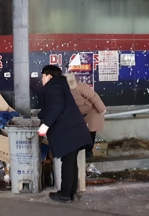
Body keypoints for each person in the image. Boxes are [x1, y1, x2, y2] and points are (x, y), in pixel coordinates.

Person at [37, 65, 93, 202]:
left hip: (68, 131)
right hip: (73, 130)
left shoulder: (52, 86)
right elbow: (54, 106)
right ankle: (71, 192)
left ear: (49, 76)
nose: (42, 79)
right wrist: (41, 115)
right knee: (71, 161)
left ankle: (64, 194)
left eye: (43, 76)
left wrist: (45, 125)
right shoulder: (61, 84)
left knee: (68, 162)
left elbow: (57, 105)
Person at [64, 73, 106, 162]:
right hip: (79, 113)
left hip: (92, 111)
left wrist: (102, 110)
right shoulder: (64, 90)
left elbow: (94, 97)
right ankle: (81, 152)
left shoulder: (81, 87)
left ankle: (88, 153)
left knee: (91, 131)